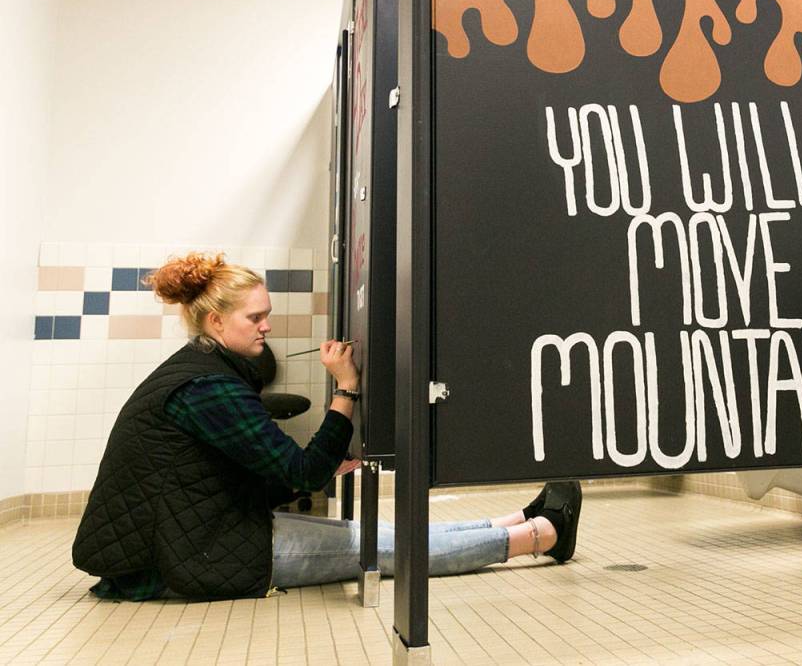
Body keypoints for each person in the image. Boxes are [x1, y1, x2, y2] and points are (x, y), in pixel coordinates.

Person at [71, 252, 582, 601]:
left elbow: (235, 473)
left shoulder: (200, 372)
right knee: (384, 548)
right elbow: (302, 474)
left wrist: (321, 461)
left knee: (374, 534)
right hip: (190, 557)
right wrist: (346, 389)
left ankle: (514, 518)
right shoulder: (208, 389)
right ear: (216, 324)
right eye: (256, 318)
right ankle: (542, 536)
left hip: (200, 534)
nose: (267, 326)